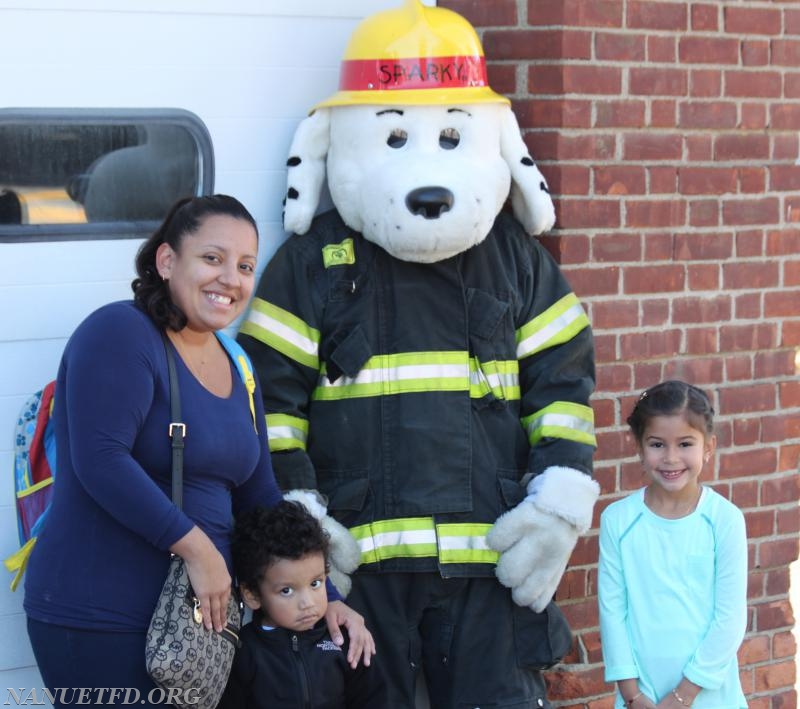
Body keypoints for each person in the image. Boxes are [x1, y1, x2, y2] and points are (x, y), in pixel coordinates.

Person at [23, 195, 373, 706]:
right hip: (99, 614)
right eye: (212, 258)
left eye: (245, 265)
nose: (230, 278)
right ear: (167, 261)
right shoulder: (120, 332)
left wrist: (328, 596)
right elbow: (101, 460)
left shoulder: (235, 364)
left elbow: (260, 495)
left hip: (194, 629)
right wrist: (196, 547)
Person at [599, 380, 748, 709]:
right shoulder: (618, 521)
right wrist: (632, 695)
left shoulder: (724, 521)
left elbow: (730, 619)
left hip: (710, 696)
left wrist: (684, 695)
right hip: (641, 697)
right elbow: (613, 613)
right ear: (639, 446)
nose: (670, 458)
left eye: (684, 444)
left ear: (708, 447)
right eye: (657, 445)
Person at [219, 501, 388, 708]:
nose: (307, 603)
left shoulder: (346, 641)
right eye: (286, 591)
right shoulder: (243, 650)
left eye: (315, 583)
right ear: (253, 595)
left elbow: (374, 700)